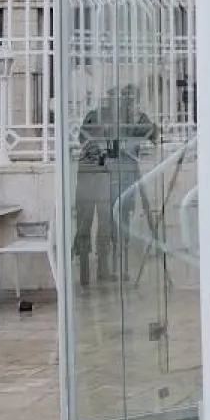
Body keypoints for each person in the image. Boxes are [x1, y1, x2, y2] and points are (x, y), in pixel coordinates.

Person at [72, 84, 157, 286]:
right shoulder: (97, 116)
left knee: (109, 225)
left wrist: (138, 119)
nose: (122, 103)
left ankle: (107, 269)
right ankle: (85, 273)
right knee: (86, 225)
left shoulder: (135, 118)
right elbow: (83, 138)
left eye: (127, 99)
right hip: (95, 176)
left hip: (119, 179)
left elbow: (154, 135)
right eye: (118, 99)